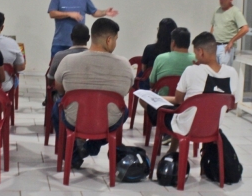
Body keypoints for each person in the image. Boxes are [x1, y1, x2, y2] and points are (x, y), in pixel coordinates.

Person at [53, 18, 134, 168]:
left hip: (74, 119)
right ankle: (91, 147)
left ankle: (70, 154)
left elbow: (59, 88)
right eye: (116, 39)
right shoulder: (124, 64)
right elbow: (126, 90)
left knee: (57, 105)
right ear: (109, 40)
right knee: (124, 111)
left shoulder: (68, 60)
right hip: (108, 122)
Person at [160, 32, 239, 156]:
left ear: (200, 52)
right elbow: (232, 106)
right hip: (212, 128)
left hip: (187, 128)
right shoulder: (232, 72)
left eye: (196, 53)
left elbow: (179, 100)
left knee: (170, 113)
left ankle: (171, 151)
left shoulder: (191, 70)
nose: (196, 57)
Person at [47, 0, 118, 57]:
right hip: (60, 42)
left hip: (79, 44)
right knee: (56, 69)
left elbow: (94, 12)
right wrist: (69, 14)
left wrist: (105, 12)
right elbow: (52, 13)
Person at [143, 27, 195, 135]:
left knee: (142, 99)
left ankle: (162, 125)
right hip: (187, 105)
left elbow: (152, 82)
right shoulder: (196, 60)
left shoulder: (161, 58)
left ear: (173, 42)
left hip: (164, 103)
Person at [210, 0, 249, 67]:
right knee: (213, 71)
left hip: (226, 46)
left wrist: (232, 41)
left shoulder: (235, 11)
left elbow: (245, 28)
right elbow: (213, 26)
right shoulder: (217, 10)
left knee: (224, 72)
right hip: (214, 45)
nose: (221, 0)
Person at [139, 18, 177, 89]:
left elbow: (144, 69)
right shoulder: (177, 54)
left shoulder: (149, 48)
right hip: (173, 87)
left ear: (159, 32)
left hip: (150, 87)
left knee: (142, 75)